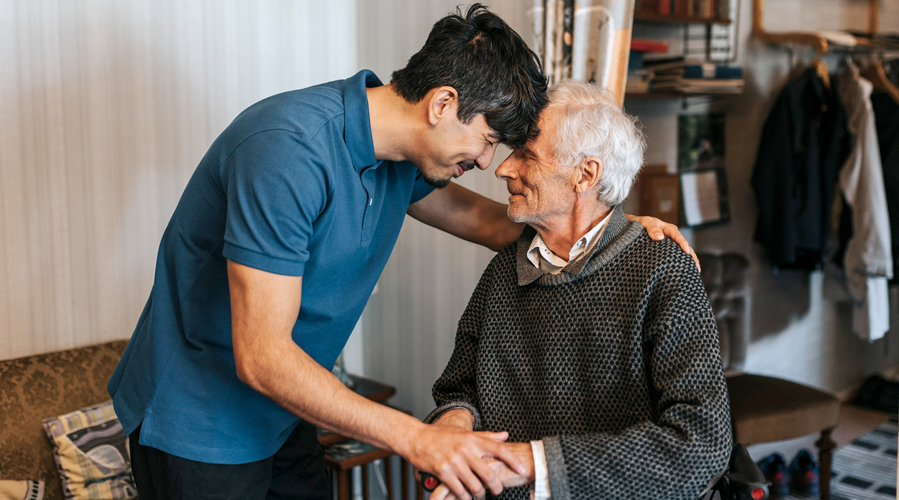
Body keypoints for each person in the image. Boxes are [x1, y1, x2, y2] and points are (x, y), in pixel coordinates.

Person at [108, 5, 694, 500]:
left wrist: (614, 226)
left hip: (283, 412)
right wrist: (417, 436)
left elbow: (492, 223)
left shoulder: (401, 158)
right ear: (442, 104)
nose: (490, 164)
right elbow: (260, 358)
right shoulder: (287, 152)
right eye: (488, 140)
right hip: (199, 417)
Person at [425, 80, 732, 500]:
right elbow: (459, 389)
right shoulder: (502, 274)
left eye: (526, 155)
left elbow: (701, 444)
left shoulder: (663, 272)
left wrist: (533, 464)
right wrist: (453, 428)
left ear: (585, 174)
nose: (502, 168)